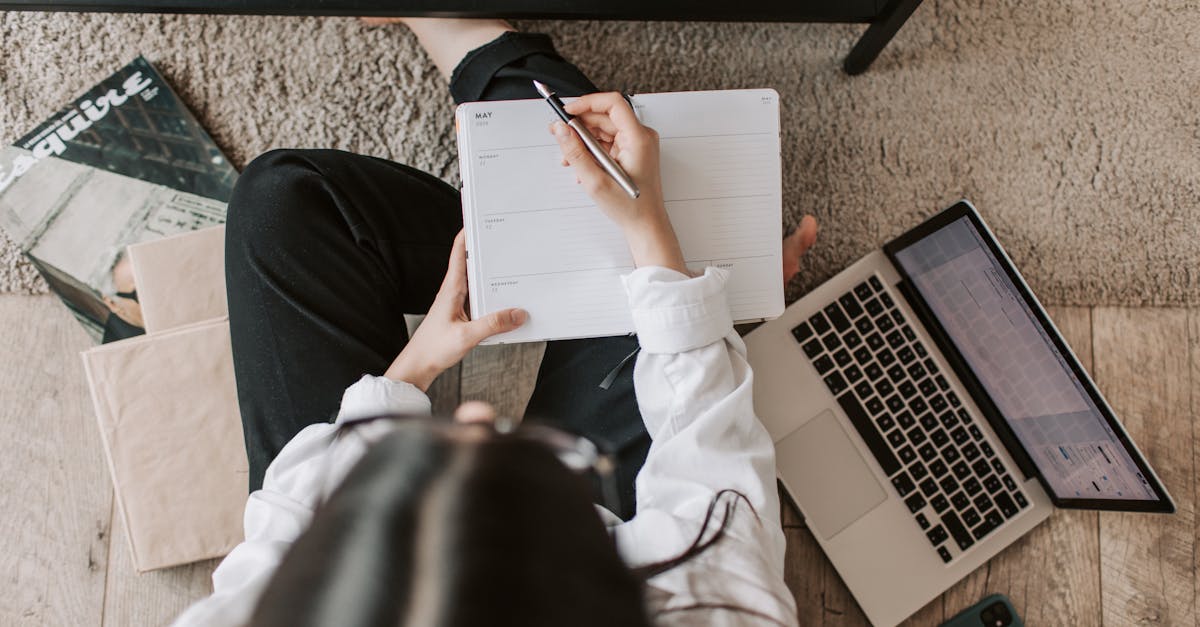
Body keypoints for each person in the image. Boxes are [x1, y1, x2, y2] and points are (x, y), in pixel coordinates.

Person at [172, 17, 819, 627]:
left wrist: (414, 369)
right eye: (525, 464)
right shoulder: (715, 608)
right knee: (658, 258)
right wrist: (657, 241)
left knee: (281, 202)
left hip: (330, 528)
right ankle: (470, 36)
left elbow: (291, 517)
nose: (477, 414)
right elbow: (710, 459)